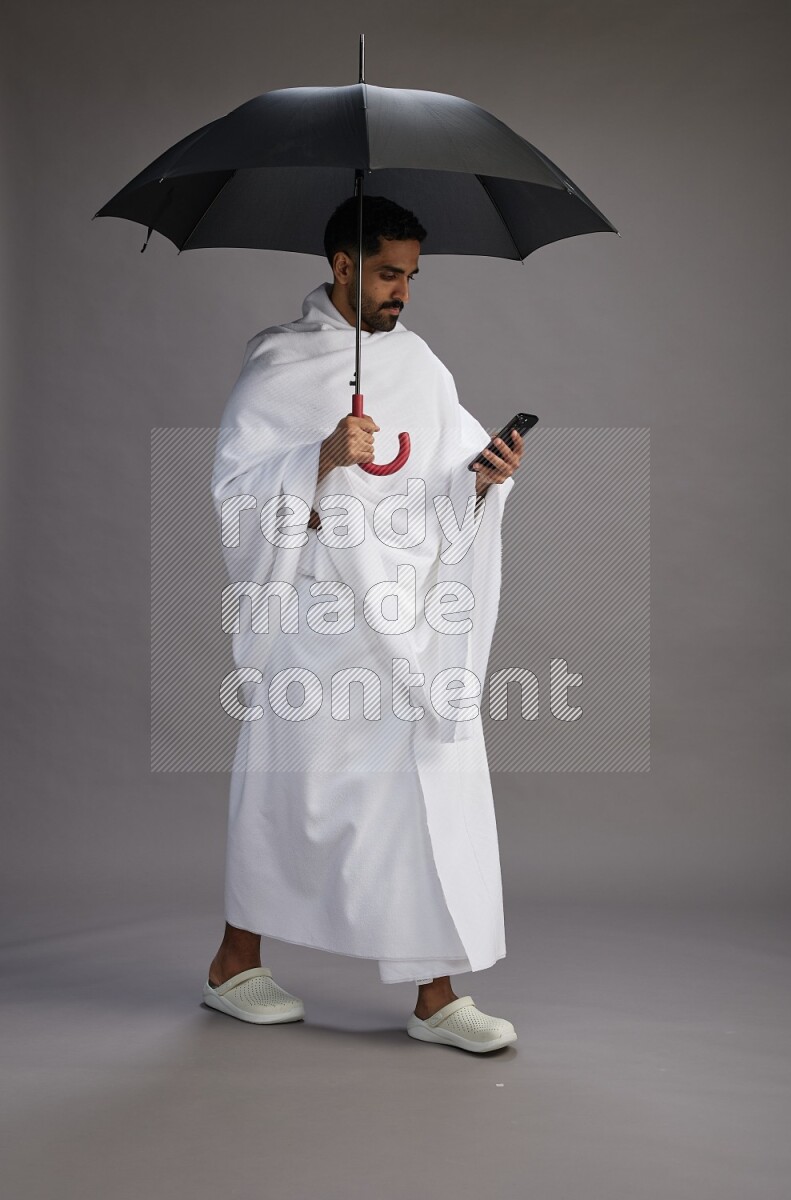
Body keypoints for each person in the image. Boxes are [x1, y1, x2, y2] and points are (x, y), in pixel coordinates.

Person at [203, 195, 525, 1053]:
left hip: (408, 622)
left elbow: (439, 489)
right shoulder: (281, 363)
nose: (403, 293)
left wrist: (484, 477)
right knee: (287, 791)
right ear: (343, 266)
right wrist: (319, 456)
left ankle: (435, 994)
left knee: (424, 788)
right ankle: (233, 964)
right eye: (389, 273)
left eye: (413, 276)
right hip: (316, 622)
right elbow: (237, 500)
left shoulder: (422, 367)